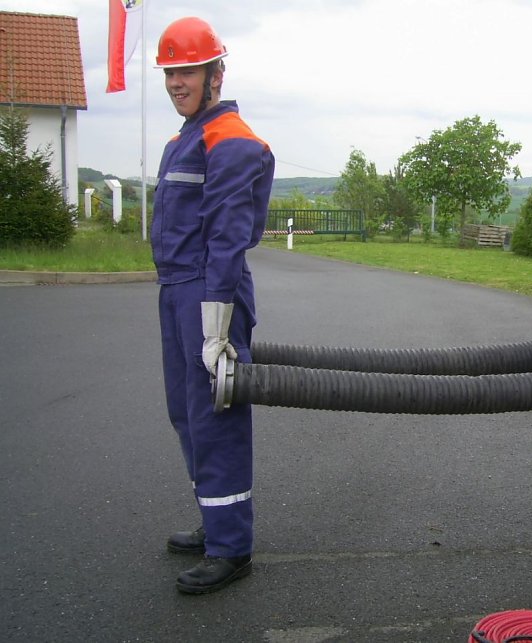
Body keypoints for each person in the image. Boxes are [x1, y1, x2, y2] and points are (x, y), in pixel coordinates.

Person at [151, 16, 275, 593]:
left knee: (216, 418)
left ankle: (232, 548)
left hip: (209, 290)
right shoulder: (188, 136)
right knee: (187, 413)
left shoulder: (231, 138)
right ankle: (213, 518)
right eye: (171, 72)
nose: (178, 81)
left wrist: (216, 323)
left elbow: (227, 237)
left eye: (188, 70)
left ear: (216, 73)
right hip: (176, 289)